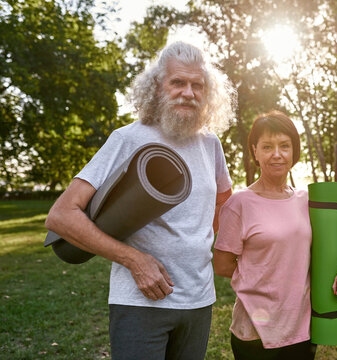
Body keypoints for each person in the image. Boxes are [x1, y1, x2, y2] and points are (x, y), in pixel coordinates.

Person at [45, 39, 237, 360]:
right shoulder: (128, 138)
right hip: (140, 302)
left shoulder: (211, 144)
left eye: (197, 85)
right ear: (157, 86)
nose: (188, 93)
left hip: (199, 301)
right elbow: (61, 216)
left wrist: (205, 247)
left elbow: (223, 203)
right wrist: (134, 260)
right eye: (178, 82)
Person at [213, 110, 337, 360]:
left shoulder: (308, 201)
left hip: (301, 330)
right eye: (267, 146)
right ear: (255, 151)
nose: (277, 154)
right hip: (255, 332)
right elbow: (222, 265)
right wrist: (264, 280)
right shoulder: (239, 204)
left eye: (284, 146)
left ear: (294, 152)